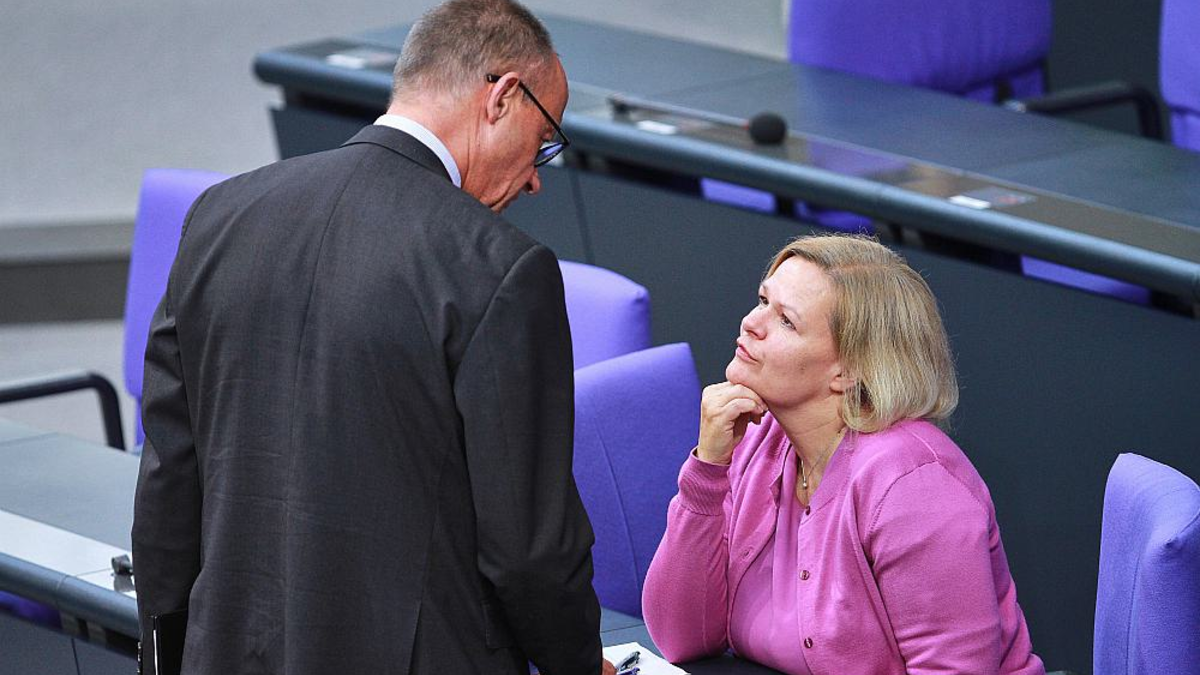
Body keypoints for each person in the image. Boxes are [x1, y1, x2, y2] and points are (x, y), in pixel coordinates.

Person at [132, 1, 613, 674]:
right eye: (545, 141)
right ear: (503, 97)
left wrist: (165, 655)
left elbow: (169, 481)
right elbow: (528, 550)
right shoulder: (498, 267)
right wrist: (578, 665)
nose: (536, 175)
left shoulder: (221, 217)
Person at [642, 234, 1045, 675]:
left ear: (848, 370)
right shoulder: (758, 438)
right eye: (762, 300)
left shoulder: (913, 488)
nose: (750, 323)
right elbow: (681, 637)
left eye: (786, 321)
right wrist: (707, 473)